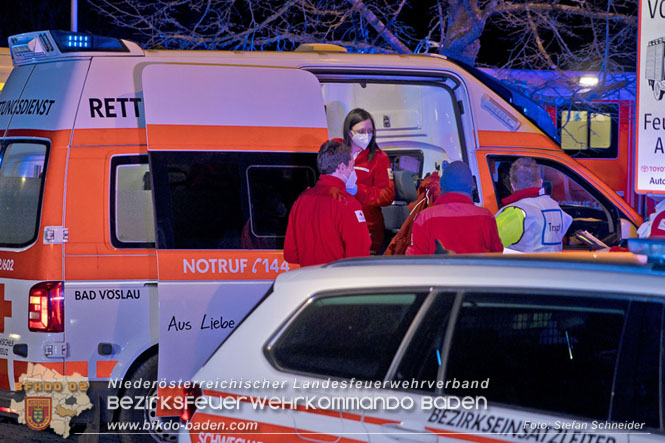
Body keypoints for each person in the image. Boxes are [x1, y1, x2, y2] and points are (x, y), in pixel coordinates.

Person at [284, 139, 371, 266]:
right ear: (342, 167)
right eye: (352, 167)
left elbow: (291, 255)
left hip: (307, 281)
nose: (353, 172)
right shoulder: (348, 204)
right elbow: (359, 257)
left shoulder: (300, 201)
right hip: (337, 282)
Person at [406, 161, 503, 255]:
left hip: (437, 271)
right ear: (471, 187)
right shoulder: (486, 217)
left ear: (442, 185)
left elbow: (416, 258)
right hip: (476, 271)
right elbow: (496, 254)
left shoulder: (424, 218)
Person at [343, 108, 395, 254]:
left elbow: (387, 194)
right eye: (361, 131)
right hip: (339, 224)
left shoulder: (379, 158)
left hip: (368, 227)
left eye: (370, 131)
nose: (367, 135)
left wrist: (358, 190)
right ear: (349, 132)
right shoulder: (339, 153)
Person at [495, 157, 572, 252]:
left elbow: (489, 245)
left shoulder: (516, 212)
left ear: (513, 186)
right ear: (541, 182)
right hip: (553, 266)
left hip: (524, 266)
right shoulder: (555, 207)